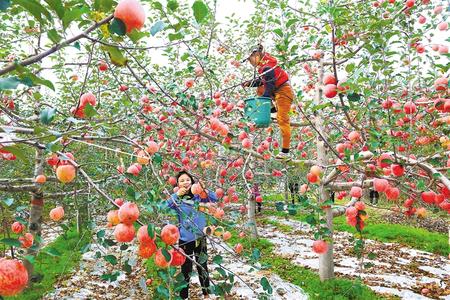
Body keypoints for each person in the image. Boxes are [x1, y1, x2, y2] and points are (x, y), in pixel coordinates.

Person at [167, 171, 217, 299]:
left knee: (203, 266)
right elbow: (166, 207)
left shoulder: (199, 196)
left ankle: (206, 294)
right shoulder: (177, 199)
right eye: (182, 180)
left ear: (192, 181)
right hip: (185, 239)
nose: (185, 182)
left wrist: (202, 188)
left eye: (187, 180)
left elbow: (214, 198)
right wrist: (176, 195)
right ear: (178, 184)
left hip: (200, 237)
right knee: (185, 269)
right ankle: (184, 296)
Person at [242, 44, 295, 160]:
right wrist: (250, 83)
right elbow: (263, 81)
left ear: (256, 55)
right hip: (277, 91)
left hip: (283, 92)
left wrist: (263, 104)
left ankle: (285, 151)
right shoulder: (264, 66)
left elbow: (269, 85)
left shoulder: (267, 67)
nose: (250, 62)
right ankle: (273, 111)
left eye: (249, 59)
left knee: (283, 119)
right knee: (260, 89)